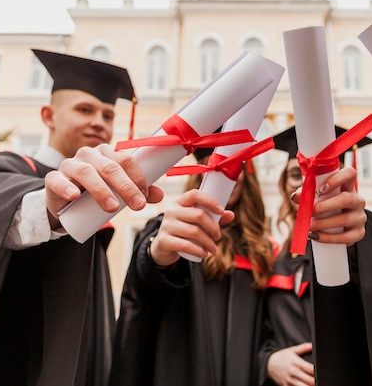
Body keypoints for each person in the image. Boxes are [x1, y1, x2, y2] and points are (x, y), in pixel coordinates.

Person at [0, 49, 164, 386]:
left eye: (107, 114)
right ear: (48, 115)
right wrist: (52, 207)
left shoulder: (102, 195)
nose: (99, 122)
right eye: (85, 109)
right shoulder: (5, 170)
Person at [257, 125, 372, 386]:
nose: (306, 182)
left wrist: (353, 235)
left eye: (320, 174)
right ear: (283, 186)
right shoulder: (278, 260)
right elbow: (262, 333)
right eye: (294, 174)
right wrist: (268, 361)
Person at [109, 146, 277, 386]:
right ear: (199, 175)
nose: (224, 175)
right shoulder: (171, 230)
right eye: (213, 166)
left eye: (232, 167)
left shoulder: (264, 249)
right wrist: (157, 254)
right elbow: (145, 282)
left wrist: (272, 358)